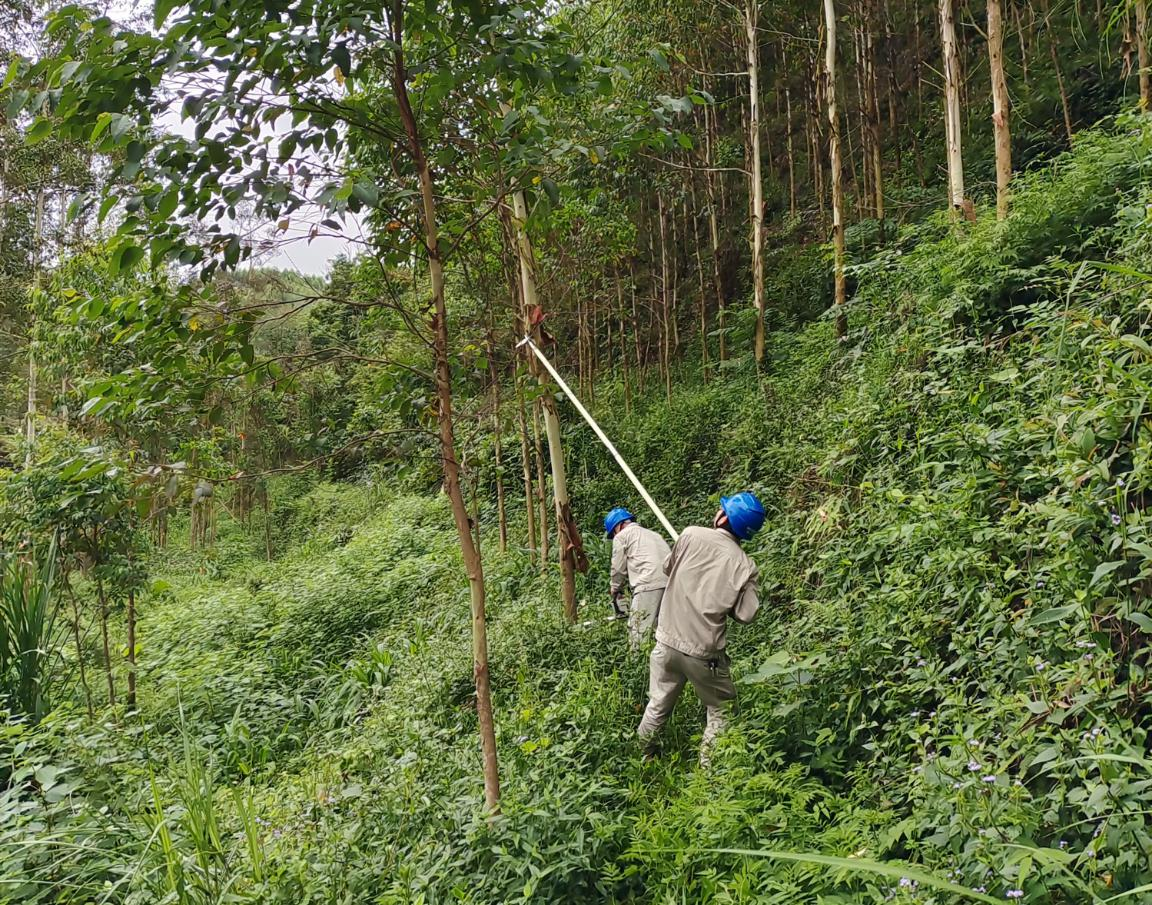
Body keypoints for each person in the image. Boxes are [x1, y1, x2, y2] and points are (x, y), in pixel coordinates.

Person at [636, 491, 766, 765]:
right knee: (720, 710)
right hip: (703, 655)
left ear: (723, 516)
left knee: (658, 703)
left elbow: (668, 567)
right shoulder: (745, 565)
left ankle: (643, 758)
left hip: (666, 642)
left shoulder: (691, 534)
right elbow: (746, 614)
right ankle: (709, 776)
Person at [605, 507, 672, 652]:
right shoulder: (654, 534)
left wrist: (615, 589)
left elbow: (618, 568)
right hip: (671, 583)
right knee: (664, 632)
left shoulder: (622, 536)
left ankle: (636, 665)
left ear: (617, 526)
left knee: (638, 629)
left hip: (648, 583)